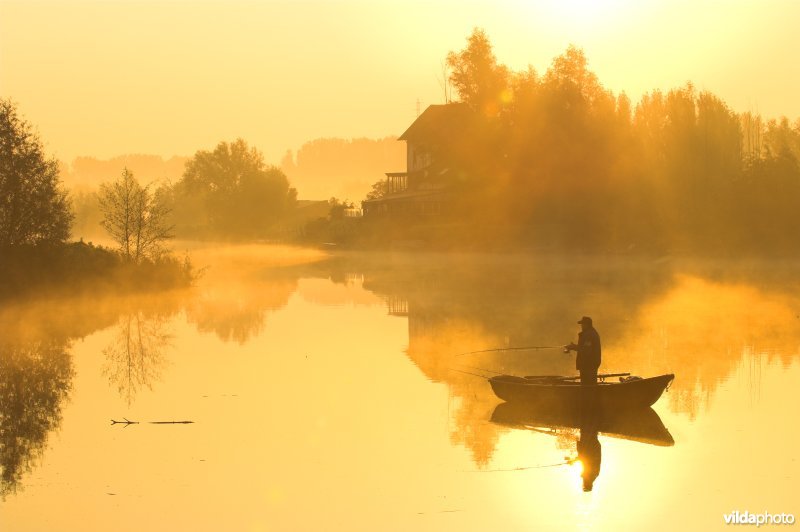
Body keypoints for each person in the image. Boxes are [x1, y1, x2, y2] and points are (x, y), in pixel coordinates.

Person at [565, 316, 601, 385]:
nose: (581, 326)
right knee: (589, 385)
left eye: (582, 324)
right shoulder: (590, 333)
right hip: (589, 364)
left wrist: (573, 347)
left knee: (588, 385)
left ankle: (588, 395)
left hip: (589, 364)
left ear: (587, 325)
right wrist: (574, 346)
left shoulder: (589, 335)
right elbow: (585, 347)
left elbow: (586, 350)